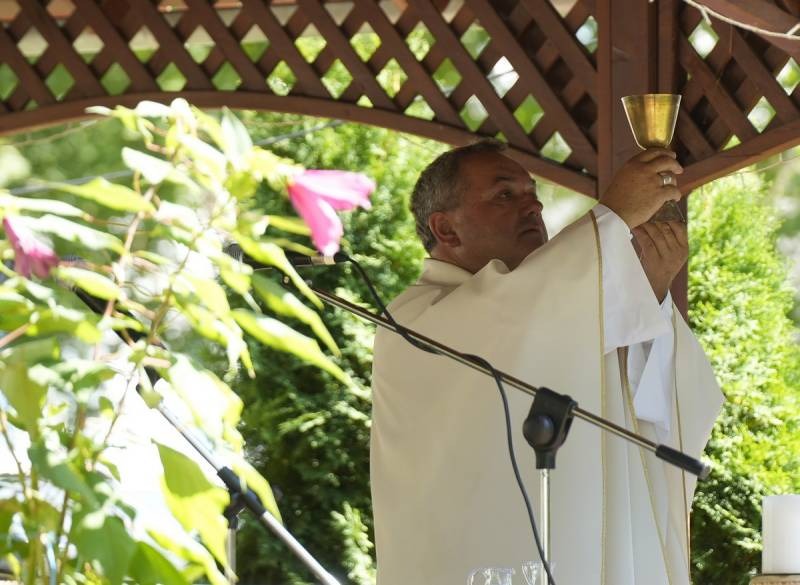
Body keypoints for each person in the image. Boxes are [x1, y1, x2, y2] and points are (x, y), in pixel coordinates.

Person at [370, 140, 723, 585]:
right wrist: (612, 216)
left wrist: (648, 294)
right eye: (504, 194)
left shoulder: (556, 304)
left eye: (532, 193)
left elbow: (637, 400)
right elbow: (510, 317)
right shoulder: (414, 320)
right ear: (446, 229)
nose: (533, 206)